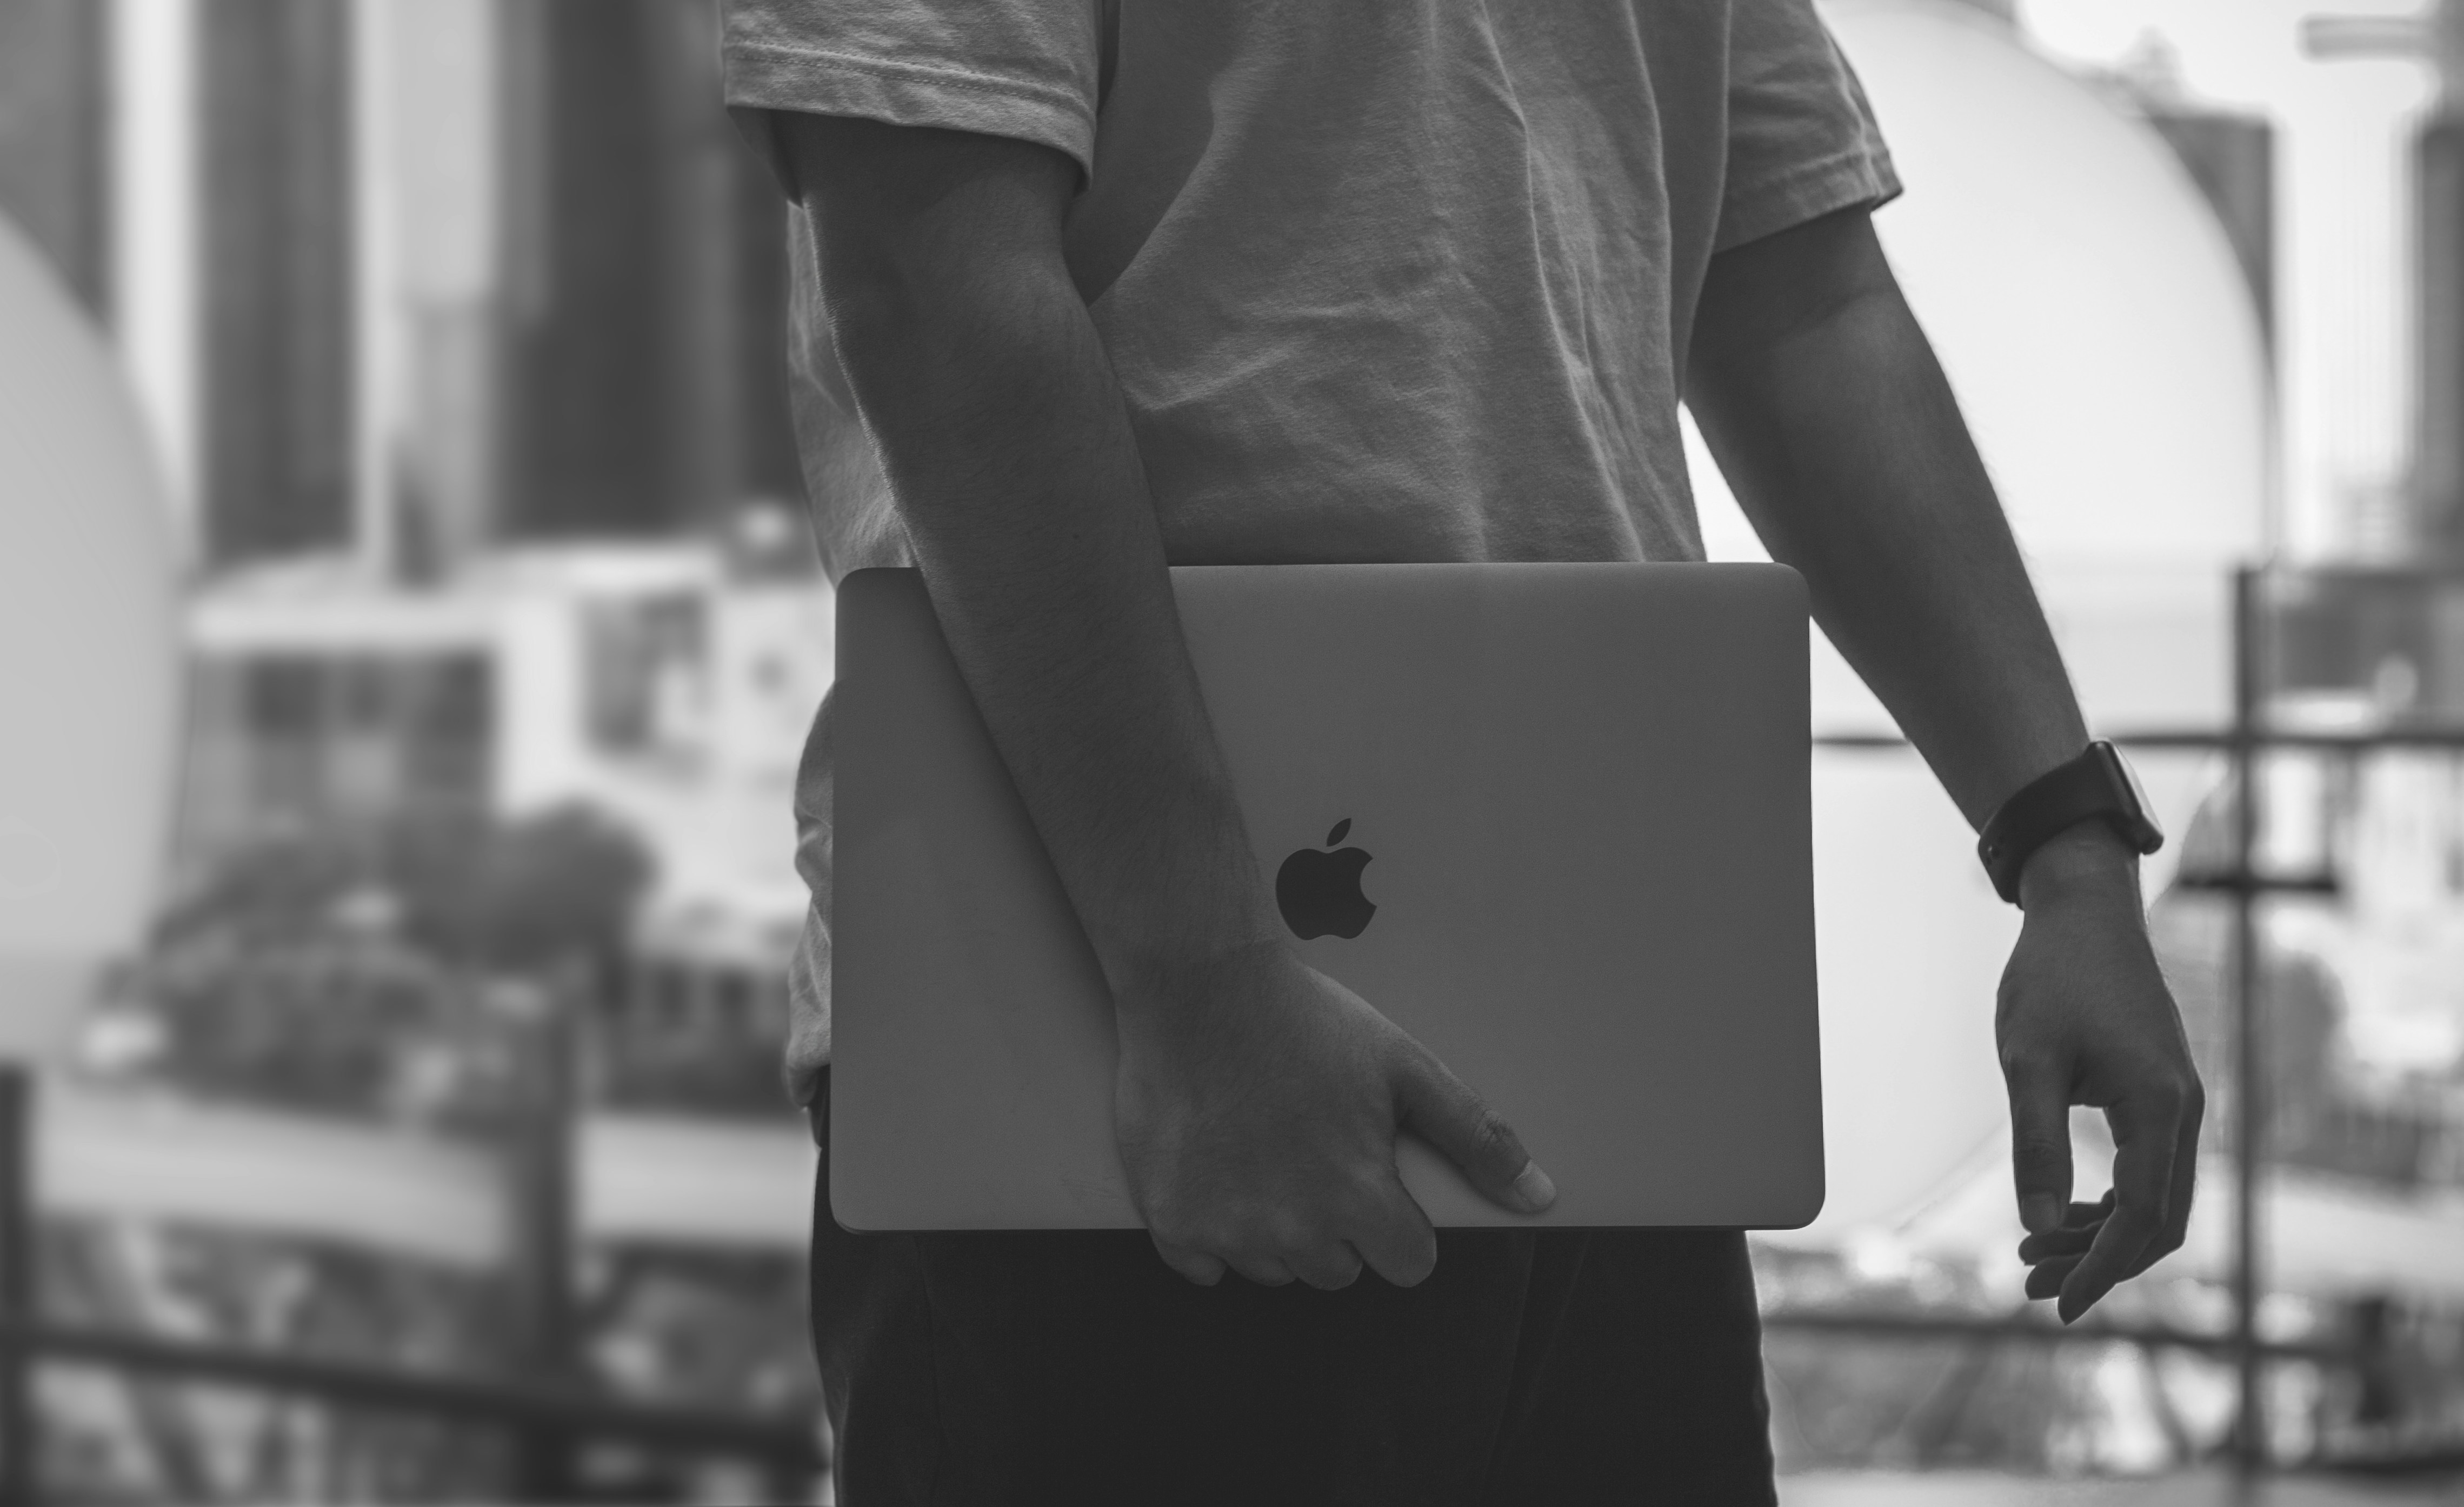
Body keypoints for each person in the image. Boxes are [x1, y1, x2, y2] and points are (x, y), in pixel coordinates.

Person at [721, 2, 2206, 1500]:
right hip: (1127, 1047)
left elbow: (1799, 295)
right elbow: (931, 284)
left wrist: (2066, 846)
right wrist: (1199, 979)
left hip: (1583, 1023)